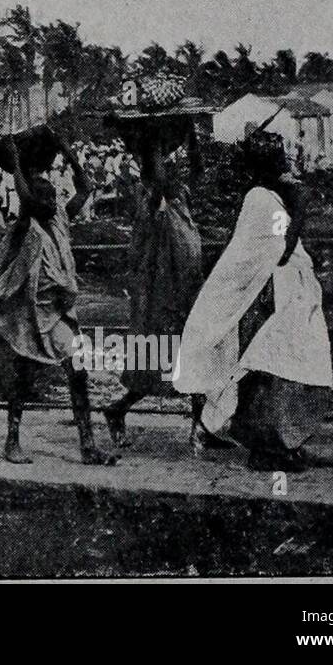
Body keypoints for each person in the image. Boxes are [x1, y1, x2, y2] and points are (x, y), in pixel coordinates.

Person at [173, 135, 333, 471]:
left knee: (290, 370)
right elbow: (279, 251)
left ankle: (287, 445)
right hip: (270, 299)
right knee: (270, 375)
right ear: (269, 166)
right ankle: (266, 450)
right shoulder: (260, 199)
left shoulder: (270, 197)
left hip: (287, 294)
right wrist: (301, 207)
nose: (286, 162)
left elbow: (286, 245)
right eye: (279, 158)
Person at [0, 129, 115, 465]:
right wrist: (17, 163)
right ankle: (12, 440)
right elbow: (24, 193)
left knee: (77, 372)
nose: (51, 201)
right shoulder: (28, 224)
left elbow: (86, 189)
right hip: (33, 315)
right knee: (24, 377)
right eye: (44, 198)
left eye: (52, 196)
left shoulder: (60, 217)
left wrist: (68, 152)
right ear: (32, 202)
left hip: (60, 312)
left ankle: (88, 444)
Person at [103, 123, 206, 446]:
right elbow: (159, 179)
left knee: (195, 356)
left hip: (188, 287)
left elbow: (197, 172)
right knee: (161, 360)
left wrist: (189, 135)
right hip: (166, 293)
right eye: (166, 167)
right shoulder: (151, 197)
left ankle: (201, 427)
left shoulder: (180, 198)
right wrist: (156, 144)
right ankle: (120, 408)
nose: (175, 173)